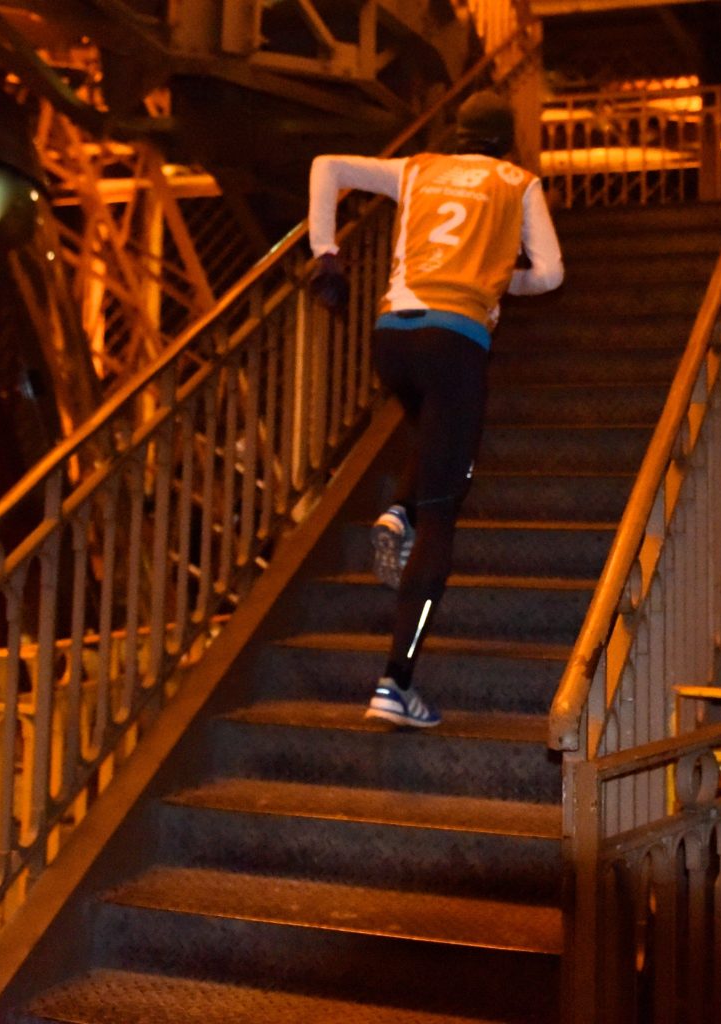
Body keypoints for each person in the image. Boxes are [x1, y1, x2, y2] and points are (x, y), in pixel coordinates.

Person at [307, 89, 563, 728]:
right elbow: (553, 274)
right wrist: (501, 285)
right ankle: (396, 683)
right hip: (457, 339)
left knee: (435, 429)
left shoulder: (418, 167)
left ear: (456, 132)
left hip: (392, 335)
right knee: (446, 508)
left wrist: (326, 254)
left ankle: (399, 510)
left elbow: (326, 167)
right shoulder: (518, 182)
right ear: (506, 141)